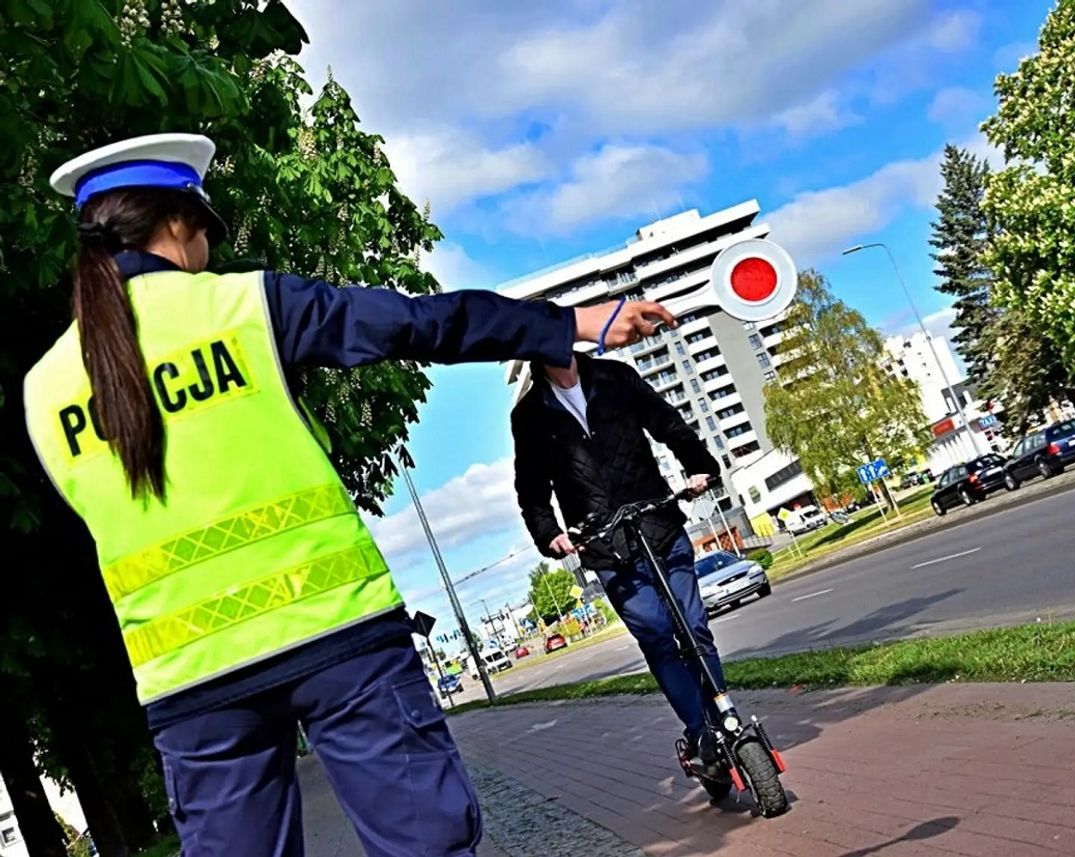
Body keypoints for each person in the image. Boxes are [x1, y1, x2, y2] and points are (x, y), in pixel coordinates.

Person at [23, 133, 674, 857]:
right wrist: (566, 324)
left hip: (192, 685)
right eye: (208, 229)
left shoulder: (42, 390)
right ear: (179, 222)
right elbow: (422, 323)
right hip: (340, 640)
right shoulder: (249, 306)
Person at [510, 352, 727, 771]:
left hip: (660, 523)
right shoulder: (530, 415)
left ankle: (726, 717)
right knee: (657, 636)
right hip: (607, 547)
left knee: (694, 625)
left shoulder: (615, 377)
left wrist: (699, 466)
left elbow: (667, 423)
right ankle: (702, 735)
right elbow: (531, 489)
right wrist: (548, 533)